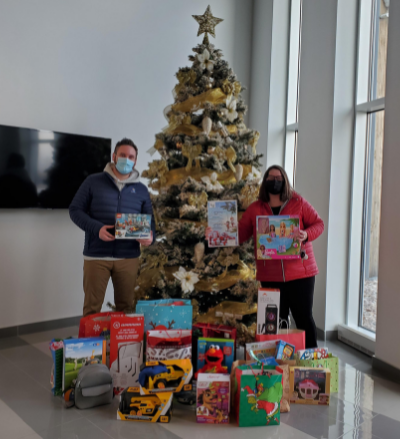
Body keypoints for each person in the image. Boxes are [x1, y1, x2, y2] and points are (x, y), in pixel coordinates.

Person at [206, 165, 324, 348]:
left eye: (278, 178)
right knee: (274, 323)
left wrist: (306, 235)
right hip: (271, 277)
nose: (274, 182)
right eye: (270, 178)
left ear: (284, 181)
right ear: (265, 183)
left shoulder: (298, 202)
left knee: (304, 318)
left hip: (302, 273)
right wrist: (215, 232)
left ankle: (311, 362)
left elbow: (318, 224)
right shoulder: (255, 209)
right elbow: (240, 234)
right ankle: (277, 362)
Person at [69, 138, 155, 317]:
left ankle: (123, 346)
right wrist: (96, 228)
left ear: (135, 160)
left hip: (128, 257)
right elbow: (75, 210)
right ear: (114, 156)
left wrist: (150, 236)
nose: (127, 159)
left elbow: (149, 220)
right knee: (92, 309)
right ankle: (90, 346)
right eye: (123, 155)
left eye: (131, 156)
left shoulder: (141, 190)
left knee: (126, 308)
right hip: (96, 256)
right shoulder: (93, 181)